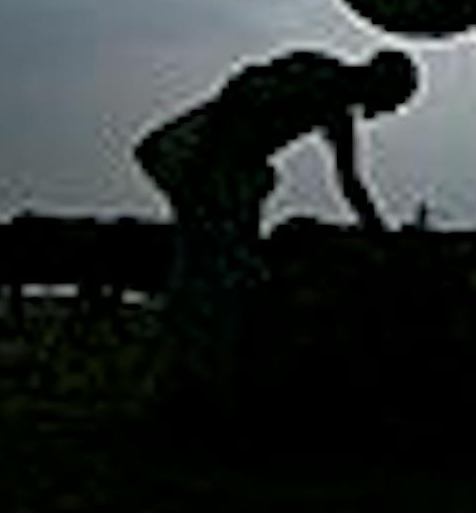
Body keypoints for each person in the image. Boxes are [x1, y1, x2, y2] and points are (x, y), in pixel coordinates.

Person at [133, 47, 418, 414]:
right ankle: (193, 393)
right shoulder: (318, 76)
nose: (389, 111)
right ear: (380, 81)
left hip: (228, 174)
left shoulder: (334, 105)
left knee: (217, 278)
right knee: (218, 278)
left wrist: (380, 235)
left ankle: (191, 390)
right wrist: (208, 166)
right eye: (394, 101)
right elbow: (241, 92)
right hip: (206, 163)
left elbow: (350, 182)